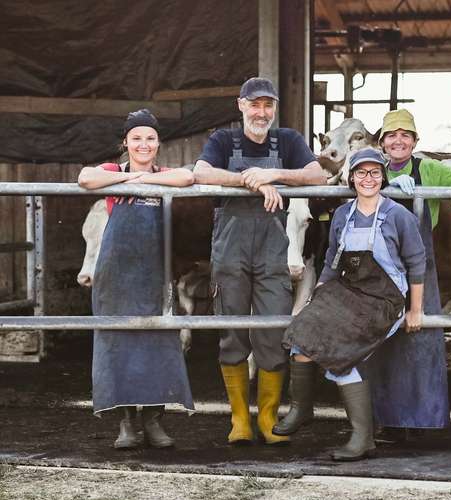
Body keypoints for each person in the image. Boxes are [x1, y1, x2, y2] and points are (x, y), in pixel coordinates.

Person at [193, 77, 326, 445]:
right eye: (255, 105)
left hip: (272, 254)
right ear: (241, 106)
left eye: (268, 105)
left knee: (271, 334)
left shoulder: (288, 141)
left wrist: (275, 174)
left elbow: (318, 174)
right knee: (232, 333)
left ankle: (267, 418)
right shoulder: (222, 141)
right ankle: (239, 418)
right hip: (230, 252)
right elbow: (201, 173)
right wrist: (250, 182)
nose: (261, 112)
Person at [275, 147, 427, 461]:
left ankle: (362, 437)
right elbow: (332, 261)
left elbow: (417, 264)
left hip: (385, 299)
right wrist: (318, 296)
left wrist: (415, 309)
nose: (367, 178)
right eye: (361, 172)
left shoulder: (398, 215)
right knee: (301, 335)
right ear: (351, 177)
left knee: (344, 356)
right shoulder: (343, 214)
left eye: (374, 173)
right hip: (346, 292)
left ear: (383, 177)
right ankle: (302, 408)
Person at [369, 108, 451, 436]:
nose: (398, 141)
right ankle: (388, 422)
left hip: (421, 264)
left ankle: (424, 421)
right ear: (382, 142)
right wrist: (390, 184)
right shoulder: (372, 168)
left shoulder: (430, 169)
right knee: (385, 341)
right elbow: (344, 182)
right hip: (380, 266)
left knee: (423, 339)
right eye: (392, 135)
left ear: (414, 141)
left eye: (405, 135)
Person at [77, 109, 195, 449]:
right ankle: (126, 423)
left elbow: (187, 179)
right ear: (125, 142)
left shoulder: (166, 173)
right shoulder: (114, 170)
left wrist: (145, 180)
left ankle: (153, 420)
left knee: (158, 342)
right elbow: (86, 178)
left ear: (158, 144)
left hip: (155, 272)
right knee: (119, 343)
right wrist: (131, 180)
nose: (143, 145)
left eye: (150, 139)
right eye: (137, 138)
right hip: (115, 274)